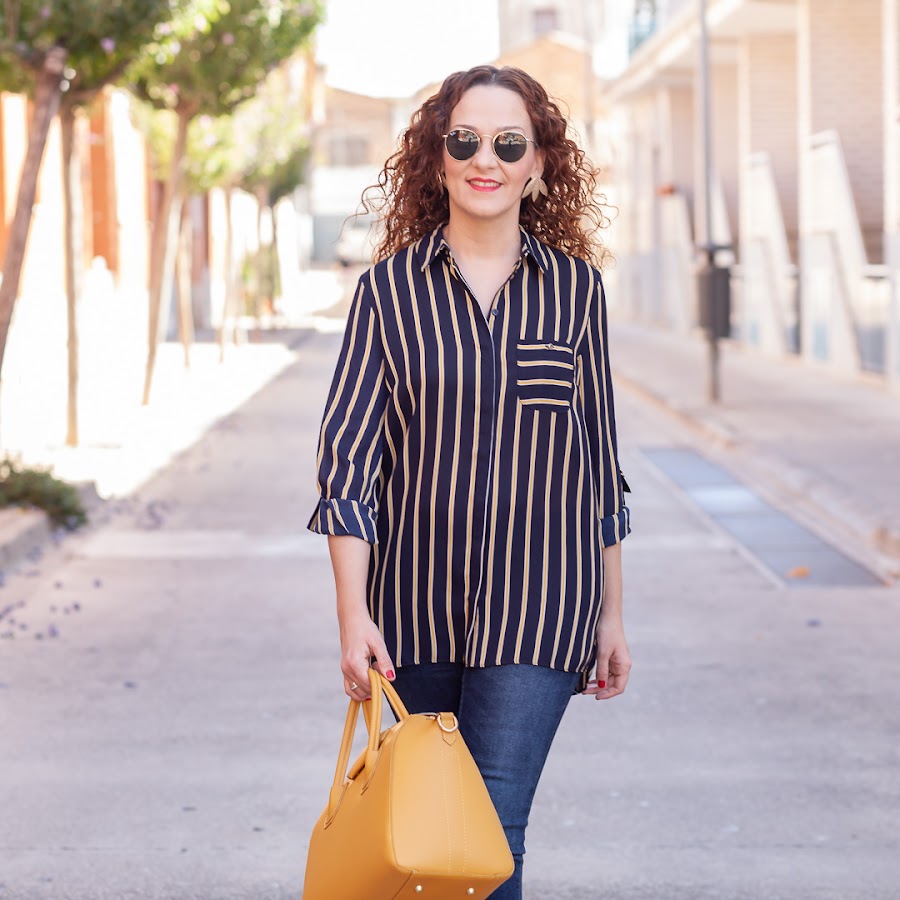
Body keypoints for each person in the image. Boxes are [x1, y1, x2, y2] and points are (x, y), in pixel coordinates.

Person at [308, 64, 632, 900]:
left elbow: (598, 464)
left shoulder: (576, 293)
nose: (486, 159)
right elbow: (350, 463)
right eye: (466, 140)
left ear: (538, 164)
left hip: (541, 608)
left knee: (491, 834)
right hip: (412, 612)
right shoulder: (386, 295)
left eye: (508, 144)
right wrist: (352, 615)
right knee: (429, 842)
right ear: (438, 157)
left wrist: (611, 614)